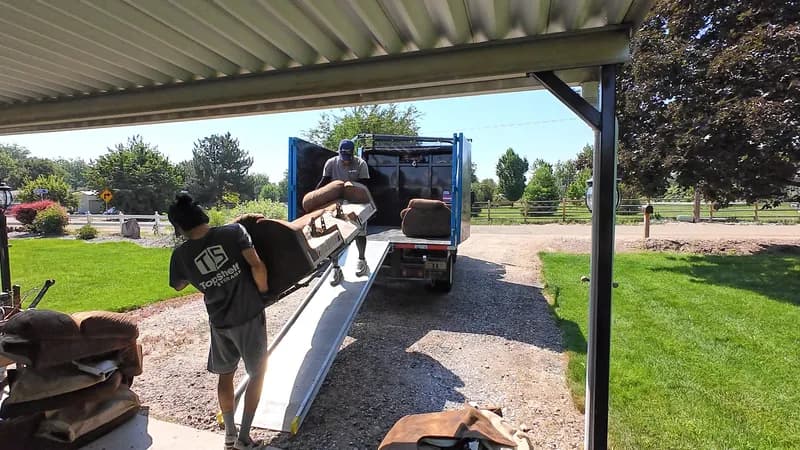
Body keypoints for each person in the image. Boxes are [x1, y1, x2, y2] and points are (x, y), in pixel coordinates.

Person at [167, 194, 268, 450]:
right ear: (201, 214)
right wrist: (264, 292)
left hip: (220, 323)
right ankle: (245, 437)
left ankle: (230, 436)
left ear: (179, 227)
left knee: (226, 375)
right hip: (249, 316)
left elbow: (178, 285)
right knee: (257, 374)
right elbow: (256, 265)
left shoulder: (180, 255)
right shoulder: (234, 232)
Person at [317, 138, 371, 277]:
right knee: (334, 236)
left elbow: (365, 186)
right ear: (339, 152)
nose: (346, 160)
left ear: (353, 153)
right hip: (337, 203)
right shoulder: (331, 163)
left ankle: (362, 260)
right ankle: (335, 267)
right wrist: (315, 197)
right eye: (343, 157)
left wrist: (350, 187)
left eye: (348, 157)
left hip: (356, 201)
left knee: (360, 233)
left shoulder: (360, 164)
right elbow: (324, 183)